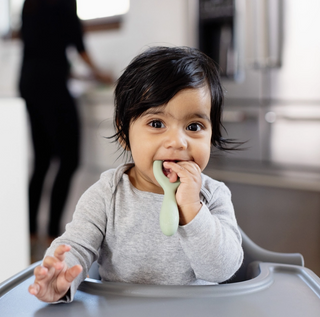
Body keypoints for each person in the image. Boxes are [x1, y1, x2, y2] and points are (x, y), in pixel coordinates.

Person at [28, 46, 244, 303]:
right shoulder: (107, 194)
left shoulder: (213, 195)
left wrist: (192, 210)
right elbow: (76, 246)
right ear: (124, 134)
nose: (177, 141)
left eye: (194, 126)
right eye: (156, 124)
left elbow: (222, 270)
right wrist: (60, 278)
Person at [18, 0, 112, 257]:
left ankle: (30, 232)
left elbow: (42, 46)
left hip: (29, 81)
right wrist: (101, 74)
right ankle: (52, 232)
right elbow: (78, 46)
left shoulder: (31, 3)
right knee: (69, 160)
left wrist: (71, 72)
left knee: (42, 161)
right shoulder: (64, 2)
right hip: (52, 85)